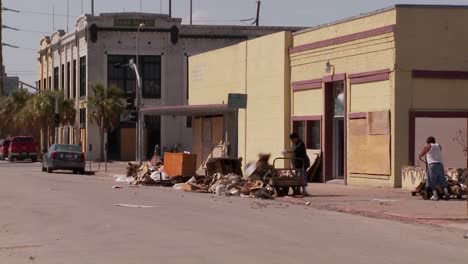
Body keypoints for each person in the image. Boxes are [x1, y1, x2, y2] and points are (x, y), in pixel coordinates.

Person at [419, 136, 449, 201]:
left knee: (432, 181)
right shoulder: (439, 145)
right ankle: (446, 193)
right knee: (442, 179)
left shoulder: (427, 146)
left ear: (428, 142)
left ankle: (435, 195)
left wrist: (420, 155)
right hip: (440, 164)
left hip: (432, 165)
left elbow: (421, 154)